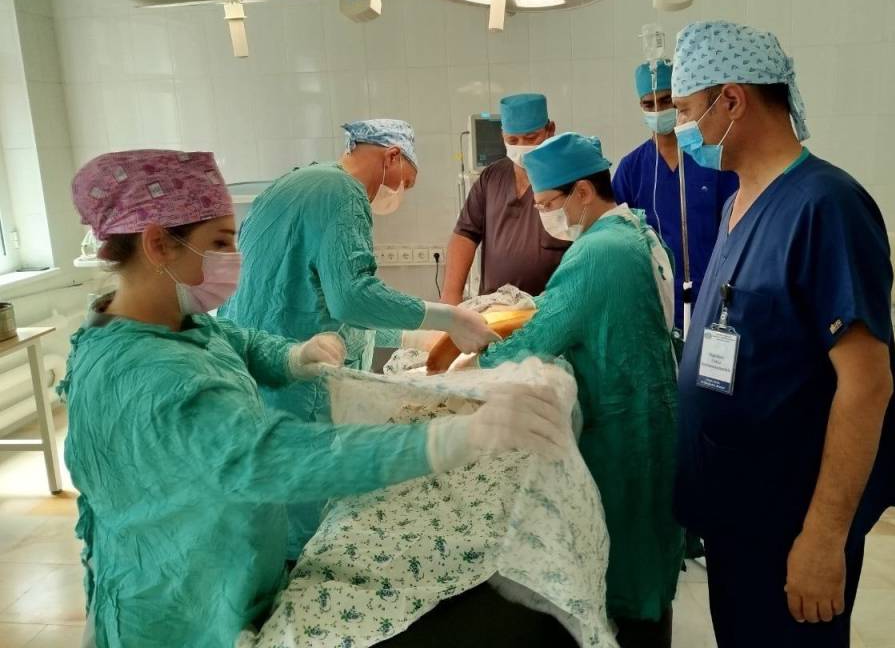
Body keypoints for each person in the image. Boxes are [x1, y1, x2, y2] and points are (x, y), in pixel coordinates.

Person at [63, 149, 568, 648]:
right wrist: (453, 437)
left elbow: (238, 340)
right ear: (158, 244)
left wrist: (291, 356)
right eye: (218, 242)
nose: (234, 258)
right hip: (179, 610)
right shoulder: (145, 373)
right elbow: (275, 458)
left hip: (233, 574)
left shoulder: (178, 323)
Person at [670, 22, 895, 648]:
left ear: (731, 100)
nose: (680, 129)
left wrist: (824, 539)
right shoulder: (738, 202)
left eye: (686, 111)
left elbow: (867, 386)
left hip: (791, 521)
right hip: (736, 509)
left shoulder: (826, 206)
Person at [219, 119, 499, 559]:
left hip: (254, 362)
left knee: (266, 501)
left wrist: (410, 336)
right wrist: (447, 317)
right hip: (297, 377)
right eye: (406, 182)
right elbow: (351, 296)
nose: (399, 194)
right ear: (392, 157)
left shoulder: (294, 183)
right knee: (301, 515)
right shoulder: (344, 193)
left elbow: (314, 297)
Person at [470, 133, 683, 648]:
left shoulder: (599, 252)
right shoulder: (634, 230)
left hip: (622, 425)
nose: (546, 217)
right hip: (648, 413)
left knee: (627, 559)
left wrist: (477, 361)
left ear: (582, 192)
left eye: (548, 205)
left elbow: (544, 332)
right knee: (648, 552)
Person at [613, 59, 737, 336]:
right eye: (649, 104)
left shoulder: (710, 159)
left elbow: (737, 229)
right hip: (654, 301)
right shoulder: (632, 169)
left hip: (712, 295)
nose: (658, 110)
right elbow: (617, 240)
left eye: (666, 100)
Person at [441, 94, 569, 304]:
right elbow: (464, 234)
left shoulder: (568, 178)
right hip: (495, 309)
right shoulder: (492, 177)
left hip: (551, 309)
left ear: (550, 130)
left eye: (531, 138)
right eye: (513, 140)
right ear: (502, 136)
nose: (521, 147)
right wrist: (450, 299)